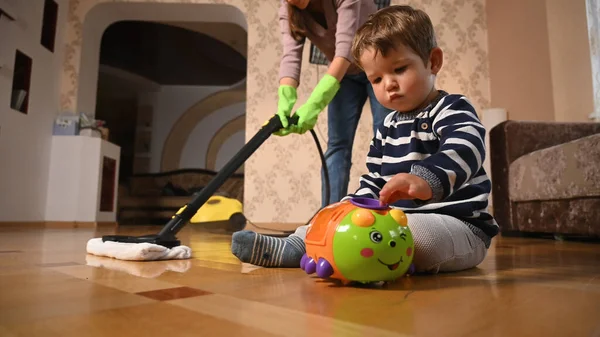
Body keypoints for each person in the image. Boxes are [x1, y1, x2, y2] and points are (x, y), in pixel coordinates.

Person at [232, 5, 499, 273]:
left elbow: (466, 148)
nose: (389, 84)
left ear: (433, 61)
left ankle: (359, 257)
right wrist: (349, 207)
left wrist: (427, 179)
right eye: (377, 78)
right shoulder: (387, 126)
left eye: (400, 69)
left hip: (459, 226)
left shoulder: (452, 108)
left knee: (413, 235)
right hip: (397, 224)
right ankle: (296, 246)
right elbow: (374, 181)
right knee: (332, 215)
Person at [273, 0, 393, 208]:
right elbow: (290, 55)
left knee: (387, 140)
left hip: (381, 66)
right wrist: (285, 98)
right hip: (345, 75)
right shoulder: (288, 10)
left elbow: (345, 50)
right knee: (337, 146)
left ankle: (389, 212)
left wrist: (314, 104)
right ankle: (329, 216)